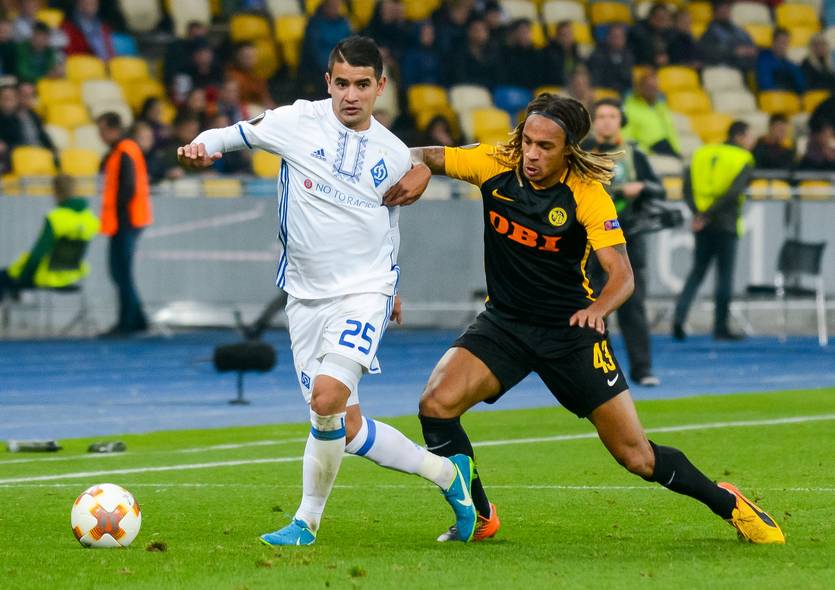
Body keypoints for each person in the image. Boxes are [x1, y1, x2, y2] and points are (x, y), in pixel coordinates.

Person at [386, 94, 784, 545]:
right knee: (436, 405)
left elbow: (622, 275)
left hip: (571, 332)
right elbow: (412, 153)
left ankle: (730, 503)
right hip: (505, 324)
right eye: (527, 142)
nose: (531, 154)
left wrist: (597, 310)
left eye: (545, 147)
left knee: (637, 457)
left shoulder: (587, 194)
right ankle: (480, 515)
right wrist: (422, 167)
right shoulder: (494, 162)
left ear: (568, 149)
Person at [176, 35, 477, 546]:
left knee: (327, 396)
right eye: (341, 84)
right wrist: (200, 148)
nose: (350, 95)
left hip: (363, 292)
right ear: (328, 83)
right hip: (304, 296)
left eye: (362, 84)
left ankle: (305, 523)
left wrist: (390, 287)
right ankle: (450, 474)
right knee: (346, 426)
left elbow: (389, 226)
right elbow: (229, 135)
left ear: (380, 86)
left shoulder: (393, 153)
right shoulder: (296, 122)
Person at [582, 98, 664, 387]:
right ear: (594, 122)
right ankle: (596, 370)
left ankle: (642, 369)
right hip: (589, 239)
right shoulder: (582, 153)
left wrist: (642, 187)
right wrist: (617, 189)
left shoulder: (633, 154)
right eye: (601, 116)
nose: (606, 121)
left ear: (620, 121)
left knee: (633, 304)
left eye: (612, 116)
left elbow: (659, 189)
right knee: (592, 304)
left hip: (629, 235)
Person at [673, 121, 755, 341]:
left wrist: (698, 214)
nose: (751, 142)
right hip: (725, 223)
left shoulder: (701, 153)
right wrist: (709, 214)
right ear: (739, 136)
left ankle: (678, 319)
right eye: (749, 137)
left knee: (697, 272)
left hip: (702, 223)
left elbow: (687, 187)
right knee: (724, 276)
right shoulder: (743, 158)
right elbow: (733, 193)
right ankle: (720, 327)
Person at [0, 175, 100, 303]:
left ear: (55, 192)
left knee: (3, 277)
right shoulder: (90, 218)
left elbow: (38, 253)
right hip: (72, 275)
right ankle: (16, 295)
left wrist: (24, 277)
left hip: (48, 275)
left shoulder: (55, 217)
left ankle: (13, 299)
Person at [97, 112, 153, 336]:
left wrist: (119, 213)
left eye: (102, 130)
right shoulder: (124, 150)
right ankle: (138, 319)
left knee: (121, 273)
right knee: (122, 273)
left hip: (125, 221)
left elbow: (128, 187)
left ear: (112, 129)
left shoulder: (124, 151)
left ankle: (127, 322)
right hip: (128, 220)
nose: (100, 135)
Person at [622, 69, 681, 158]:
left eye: (655, 87)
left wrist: (677, 150)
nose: (653, 90)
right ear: (639, 87)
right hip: (649, 154)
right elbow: (627, 139)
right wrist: (647, 153)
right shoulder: (629, 110)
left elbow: (671, 132)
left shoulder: (661, 107)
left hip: (670, 151)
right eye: (648, 87)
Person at [699, 0, 758, 72]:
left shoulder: (739, 30)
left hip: (745, 66)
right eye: (722, 9)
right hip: (724, 68)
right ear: (715, 12)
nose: (726, 12)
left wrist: (750, 50)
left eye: (727, 9)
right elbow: (708, 52)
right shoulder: (709, 32)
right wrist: (734, 52)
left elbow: (752, 47)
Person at [587, 23, 634, 94]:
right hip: (603, 92)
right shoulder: (597, 56)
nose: (618, 40)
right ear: (608, 38)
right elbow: (596, 79)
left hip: (623, 92)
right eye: (615, 37)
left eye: (620, 37)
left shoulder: (628, 56)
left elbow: (628, 80)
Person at [756, 28, 806, 94]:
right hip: (773, 97)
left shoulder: (789, 63)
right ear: (774, 43)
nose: (784, 46)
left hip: (790, 97)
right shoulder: (764, 59)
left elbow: (801, 85)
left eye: (787, 43)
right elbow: (766, 85)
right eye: (782, 42)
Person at [628, 3, 674, 67]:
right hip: (642, 66)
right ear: (651, 17)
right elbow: (634, 54)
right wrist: (652, 59)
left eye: (665, 18)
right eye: (659, 17)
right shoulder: (638, 31)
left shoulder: (671, 32)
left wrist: (668, 58)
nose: (662, 21)